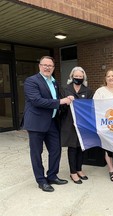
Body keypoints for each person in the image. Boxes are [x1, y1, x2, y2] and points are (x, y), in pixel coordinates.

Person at [22, 56, 73, 192]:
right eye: (44, 65)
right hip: (36, 123)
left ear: (53, 68)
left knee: (56, 150)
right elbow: (37, 101)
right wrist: (61, 102)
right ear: (39, 66)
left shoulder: (54, 82)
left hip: (52, 122)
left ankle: (52, 176)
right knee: (36, 153)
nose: (47, 67)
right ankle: (41, 180)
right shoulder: (31, 81)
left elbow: (55, 98)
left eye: (50, 66)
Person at [60, 67, 93, 184]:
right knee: (72, 147)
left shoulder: (88, 91)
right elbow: (61, 106)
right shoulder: (65, 89)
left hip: (82, 123)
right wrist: (66, 101)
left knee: (81, 147)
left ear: (83, 78)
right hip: (69, 122)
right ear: (71, 76)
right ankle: (73, 172)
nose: (78, 78)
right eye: (76, 76)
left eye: (80, 77)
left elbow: (90, 108)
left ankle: (79, 169)